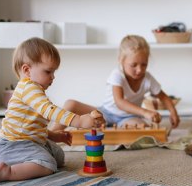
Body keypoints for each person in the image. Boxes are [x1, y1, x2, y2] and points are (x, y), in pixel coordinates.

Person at [0, 37, 105, 185]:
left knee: (59, 156)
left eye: (54, 72)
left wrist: (54, 135)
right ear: (27, 70)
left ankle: (28, 162)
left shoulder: (34, 90)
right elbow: (51, 111)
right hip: (12, 147)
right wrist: (80, 121)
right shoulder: (29, 88)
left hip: (28, 141)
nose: (53, 77)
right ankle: (8, 172)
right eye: (48, 71)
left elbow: (30, 126)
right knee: (48, 164)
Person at [51, 34, 180, 131]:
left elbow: (163, 97)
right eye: (133, 65)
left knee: (142, 127)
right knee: (70, 104)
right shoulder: (117, 74)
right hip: (105, 113)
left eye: (144, 64)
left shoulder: (148, 78)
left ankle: (112, 129)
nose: (139, 70)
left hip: (127, 118)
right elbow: (120, 102)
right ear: (121, 61)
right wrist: (145, 112)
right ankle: (52, 134)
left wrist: (173, 112)